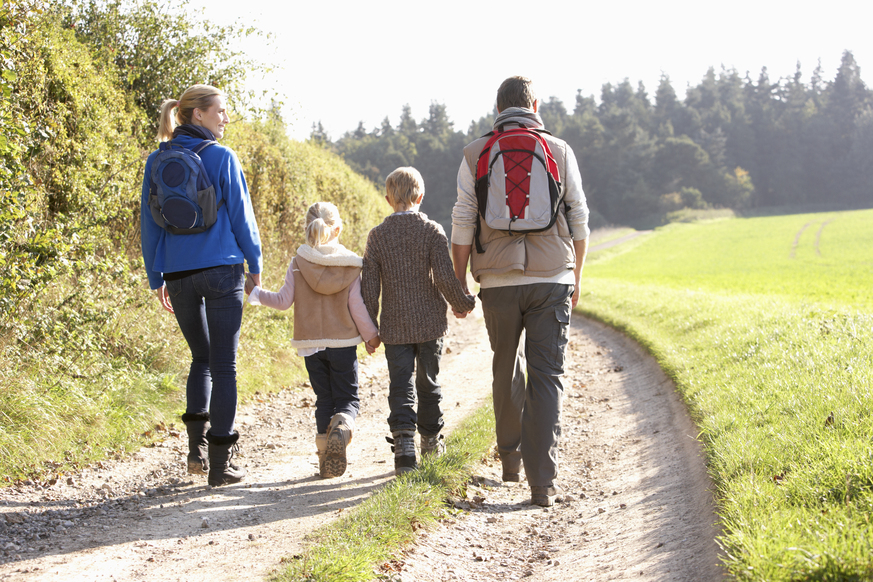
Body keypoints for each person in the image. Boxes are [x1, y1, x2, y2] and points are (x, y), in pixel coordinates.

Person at [451, 76, 590, 507]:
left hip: (497, 280)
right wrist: (577, 276)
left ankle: (510, 461)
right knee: (546, 376)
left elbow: (461, 222)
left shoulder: (475, 153)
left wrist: (460, 281)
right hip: (552, 279)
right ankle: (542, 484)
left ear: (498, 109)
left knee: (505, 365)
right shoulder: (559, 150)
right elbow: (580, 218)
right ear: (534, 104)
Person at [141, 84, 262, 487]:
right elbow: (243, 217)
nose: (226, 118)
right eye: (221, 111)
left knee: (201, 359)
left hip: (177, 274)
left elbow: (149, 223)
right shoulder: (222, 157)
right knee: (224, 364)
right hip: (222, 269)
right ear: (197, 115)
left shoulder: (156, 161)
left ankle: (194, 453)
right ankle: (220, 465)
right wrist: (256, 263)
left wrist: (156, 275)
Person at [245, 202, 379, 478]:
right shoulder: (351, 265)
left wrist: (256, 292)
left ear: (307, 229)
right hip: (342, 344)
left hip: (310, 346)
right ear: (338, 229)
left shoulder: (298, 263)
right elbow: (357, 307)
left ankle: (323, 459)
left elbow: (283, 302)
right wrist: (371, 336)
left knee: (324, 400)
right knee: (347, 400)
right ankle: (341, 428)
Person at [362, 167, 476, 475]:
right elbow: (443, 277)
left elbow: (369, 290)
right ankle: (430, 442)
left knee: (401, 385)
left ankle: (404, 448)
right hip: (429, 326)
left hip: (394, 327)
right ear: (421, 196)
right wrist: (463, 303)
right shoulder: (432, 231)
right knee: (428, 383)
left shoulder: (377, 236)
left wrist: (369, 330)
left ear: (388, 199)